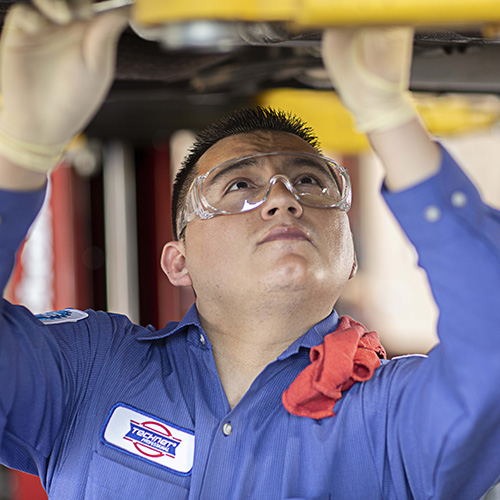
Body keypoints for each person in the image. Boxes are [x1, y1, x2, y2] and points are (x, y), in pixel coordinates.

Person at [0, 2, 499, 499]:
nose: (283, 198)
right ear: (179, 261)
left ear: (349, 258)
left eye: (308, 180)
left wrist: (389, 116)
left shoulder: (393, 416)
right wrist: (18, 158)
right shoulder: (89, 371)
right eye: (239, 185)